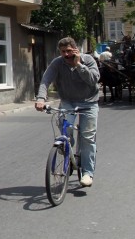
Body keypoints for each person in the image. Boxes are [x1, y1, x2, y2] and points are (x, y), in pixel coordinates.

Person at [35, 37, 100, 187]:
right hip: (68, 102)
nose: (66, 55)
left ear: (76, 49)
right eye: (63, 52)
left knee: (88, 137)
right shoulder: (57, 63)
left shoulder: (88, 60)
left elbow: (94, 79)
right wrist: (40, 98)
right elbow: (46, 80)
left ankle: (87, 174)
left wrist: (78, 65)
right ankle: (68, 154)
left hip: (89, 103)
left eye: (69, 51)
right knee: (65, 131)